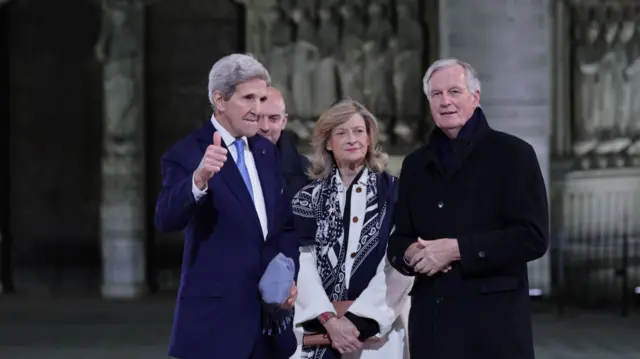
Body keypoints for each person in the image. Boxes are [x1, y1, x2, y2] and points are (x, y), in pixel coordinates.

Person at [387, 58, 549, 359]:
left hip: (492, 330)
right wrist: (410, 254)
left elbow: (533, 237)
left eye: (454, 92)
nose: (445, 101)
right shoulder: (415, 164)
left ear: (475, 97)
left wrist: (458, 249)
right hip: (432, 328)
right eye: (436, 94)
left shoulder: (514, 154)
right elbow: (399, 240)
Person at [155, 53, 300, 359]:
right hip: (215, 330)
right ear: (220, 101)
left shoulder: (265, 151)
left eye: (261, 99)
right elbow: (165, 219)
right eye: (248, 98)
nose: (257, 110)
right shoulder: (186, 153)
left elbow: (284, 226)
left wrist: (285, 278)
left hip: (268, 328)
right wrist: (198, 179)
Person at [290, 99, 413, 359]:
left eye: (359, 131)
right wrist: (329, 320)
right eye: (341, 132)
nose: (352, 139)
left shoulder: (396, 194)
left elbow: (401, 263)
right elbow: (302, 260)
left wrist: (360, 321)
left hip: (379, 333)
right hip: (318, 332)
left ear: (369, 139)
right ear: (327, 142)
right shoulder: (307, 197)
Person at [258, 87, 311, 197]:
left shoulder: (307, 172)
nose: (265, 127)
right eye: (257, 118)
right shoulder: (224, 164)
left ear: (283, 122)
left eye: (273, 118)